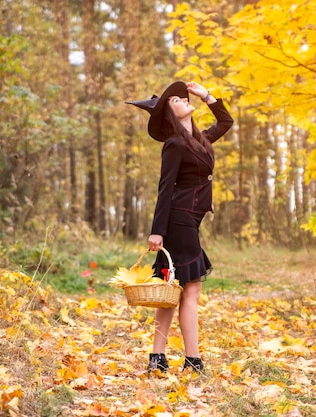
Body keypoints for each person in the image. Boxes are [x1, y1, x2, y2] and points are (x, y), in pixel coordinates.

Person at [127, 81, 233, 373]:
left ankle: (157, 358)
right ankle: (193, 359)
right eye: (175, 100)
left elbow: (226, 120)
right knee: (191, 290)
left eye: (181, 97)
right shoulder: (174, 144)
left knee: (170, 290)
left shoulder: (200, 139)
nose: (183, 100)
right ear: (171, 114)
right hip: (178, 220)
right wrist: (157, 230)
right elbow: (165, 188)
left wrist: (206, 95)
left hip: (189, 220)